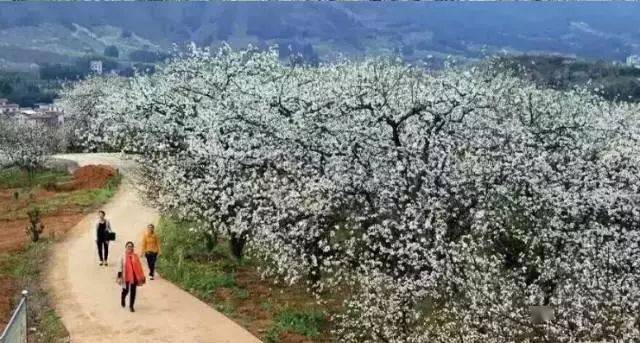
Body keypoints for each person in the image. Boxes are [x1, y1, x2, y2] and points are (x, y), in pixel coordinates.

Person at [117, 241, 145, 312]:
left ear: (133, 247)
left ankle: (131, 306)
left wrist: (142, 276)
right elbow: (119, 267)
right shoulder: (122, 256)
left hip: (134, 276)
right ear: (126, 247)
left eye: (131, 246)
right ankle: (123, 298)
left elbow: (139, 266)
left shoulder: (135, 256)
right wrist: (119, 277)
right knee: (126, 290)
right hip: (125, 275)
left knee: (133, 291)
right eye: (128, 246)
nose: (130, 247)